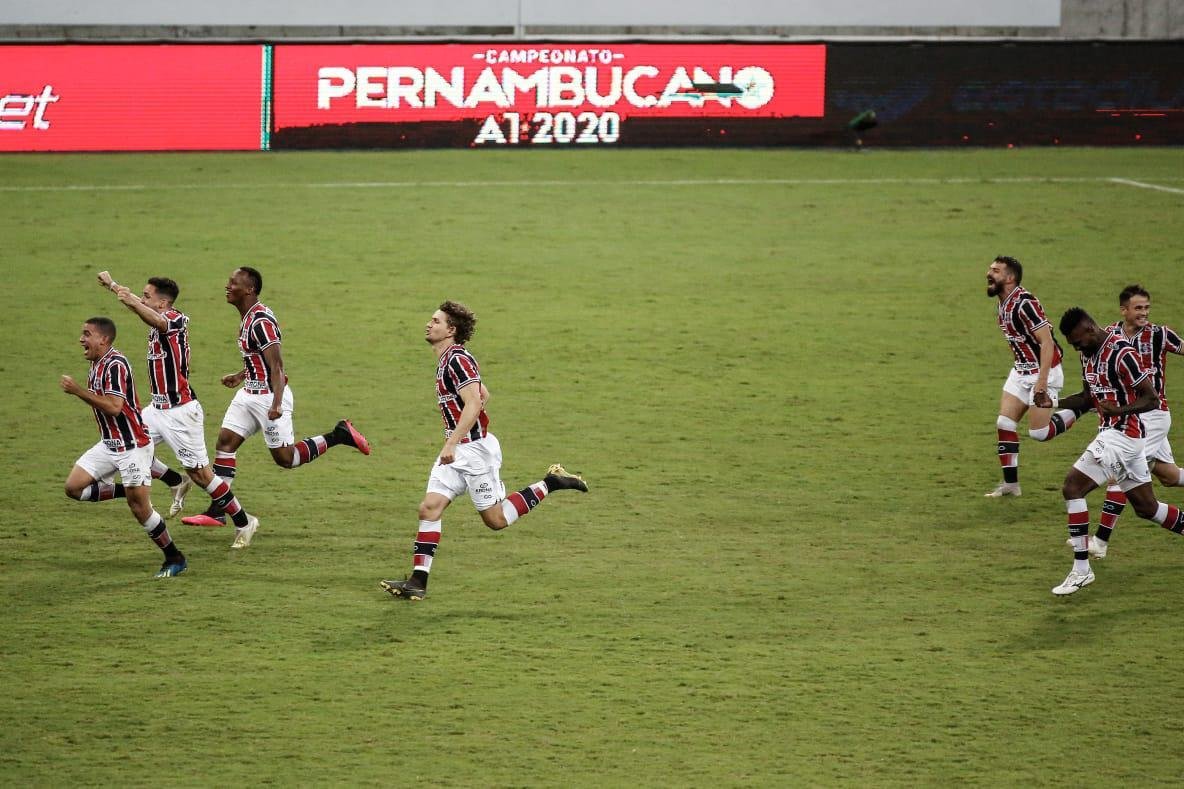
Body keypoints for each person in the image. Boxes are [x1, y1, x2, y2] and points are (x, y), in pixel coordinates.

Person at [380, 300, 589, 601]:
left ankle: (551, 482)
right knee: (429, 507)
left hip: (474, 452)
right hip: (457, 450)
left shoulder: (457, 360)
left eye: (436, 321)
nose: (429, 324)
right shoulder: (447, 359)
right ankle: (417, 582)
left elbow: (476, 402)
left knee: (495, 520)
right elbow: (483, 393)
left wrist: (454, 440)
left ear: (451, 330)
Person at [181, 266, 371, 548]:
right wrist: (240, 375)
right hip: (248, 395)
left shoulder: (261, 321)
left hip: (268, 398)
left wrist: (277, 403)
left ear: (249, 290)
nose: (227, 286)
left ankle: (339, 434)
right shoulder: (247, 318)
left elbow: (277, 366)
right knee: (225, 443)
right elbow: (257, 359)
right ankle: (218, 511)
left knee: (286, 459)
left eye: (233, 283)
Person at [97, 271, 259, 542]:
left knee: (203, 475)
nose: (142, 299)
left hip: (180, 412)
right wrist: (114, 286)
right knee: (130, 443)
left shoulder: (175, 319)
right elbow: (144, 310)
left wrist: (126, 298)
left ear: (163, 303)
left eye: (147, 296)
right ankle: (174, 479)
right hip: (156, 410)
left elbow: (153, 318)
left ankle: (245, 522)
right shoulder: (157, 315)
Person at [1051, 307, 1184, 596]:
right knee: (1147, 508)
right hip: (1118, 437)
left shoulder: (1122, 353)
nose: (1076, 348)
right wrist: (1051, 402)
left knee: (1072, 487)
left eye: (1077, 341)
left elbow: (1151, 398)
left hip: (1123, 436)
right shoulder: (1087, 354)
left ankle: (1082, 570)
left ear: (1089, 329)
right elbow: (1088, 398)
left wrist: (1121, 410)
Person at [60, 317, 187, 578]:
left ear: (103, 339)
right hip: (109, 444)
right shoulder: (97, 363)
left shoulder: (115, 364)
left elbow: (114, 407)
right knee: (74, 488)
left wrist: (77, 391)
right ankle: (126, 491)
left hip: (132, 447)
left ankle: (174, 558)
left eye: (87, 334)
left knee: (141, 510)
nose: (81, 339)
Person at [984, 255, 1083, 497]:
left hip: (1043, 373)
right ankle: (1011, 485)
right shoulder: (1002, 303)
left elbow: (1047, 342)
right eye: (990, 269)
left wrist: (1041, 381)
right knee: (1004, 423)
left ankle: (1083, 405)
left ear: (1010, 278)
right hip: (1021, 371)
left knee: (1040, 433)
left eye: (995, 271)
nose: (989, 273)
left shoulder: (1024, 303)